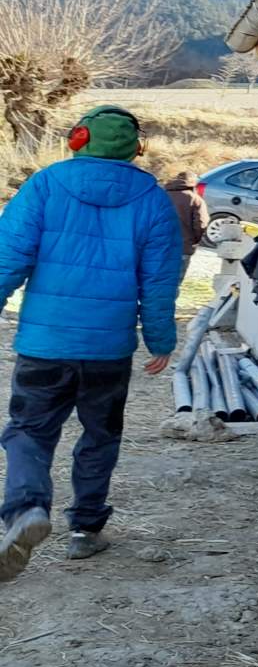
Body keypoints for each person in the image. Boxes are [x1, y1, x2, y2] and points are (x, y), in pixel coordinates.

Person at [0, 105, 182, 579]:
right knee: (100, 436)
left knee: (29, 430)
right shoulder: (154, 198)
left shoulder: (44, 185)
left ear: (78, 139)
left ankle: (25, 510)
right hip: (109, 349)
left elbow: (7, 258)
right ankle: (85, 530)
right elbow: (159, 282)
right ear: (136, 148)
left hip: (45, 342)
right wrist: (160, 339)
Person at [163, 170, 208, 277]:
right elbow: (201, 224)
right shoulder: (196, 200)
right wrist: (194, 241)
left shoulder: (162, 196)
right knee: (176, 283)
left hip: (160, 246)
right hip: (183, 247)